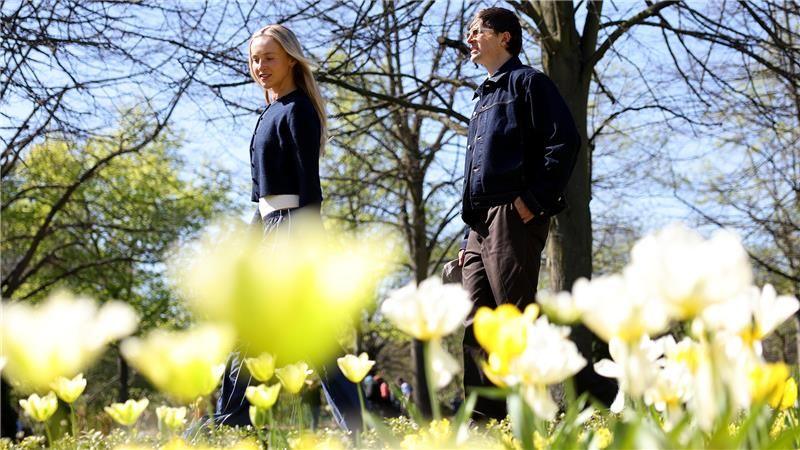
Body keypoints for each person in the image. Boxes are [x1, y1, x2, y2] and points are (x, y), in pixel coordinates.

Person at [457, 7, 616, 419]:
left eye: (478, 31)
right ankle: (487, 423)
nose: (470, 38)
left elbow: (564, 142)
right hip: (477, 227)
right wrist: (466, 239)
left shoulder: (529, 83)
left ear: (506, 37)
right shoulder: (482, 97)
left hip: (512, 218)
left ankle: (569, 402)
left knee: (515, 319)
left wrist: (532, 203)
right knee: (477, 323)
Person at [213, 24, 361, 433]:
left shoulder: (298, 111)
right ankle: (357, 428)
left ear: (291, 60)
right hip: (268, 231)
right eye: (255, 59)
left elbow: (308, 188)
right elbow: (260, 200)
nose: (260, 66)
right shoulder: (268, 113)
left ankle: (228, 420)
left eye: (269, 57)